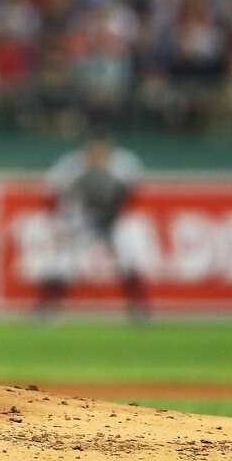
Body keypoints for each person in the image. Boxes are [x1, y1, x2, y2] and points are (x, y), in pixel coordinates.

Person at [35, 130, 148, 320]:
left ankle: (139, 310)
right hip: (83, 218)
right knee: (60, 263)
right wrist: (62, 223)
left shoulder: (124, 163)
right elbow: (54, 194)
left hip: (113, 218)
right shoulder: (71, 165)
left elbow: (130, 195)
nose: (97, 153)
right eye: (93, 149)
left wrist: (116, 217)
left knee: (129, 260)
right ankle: (46, 310)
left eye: (102, 149)